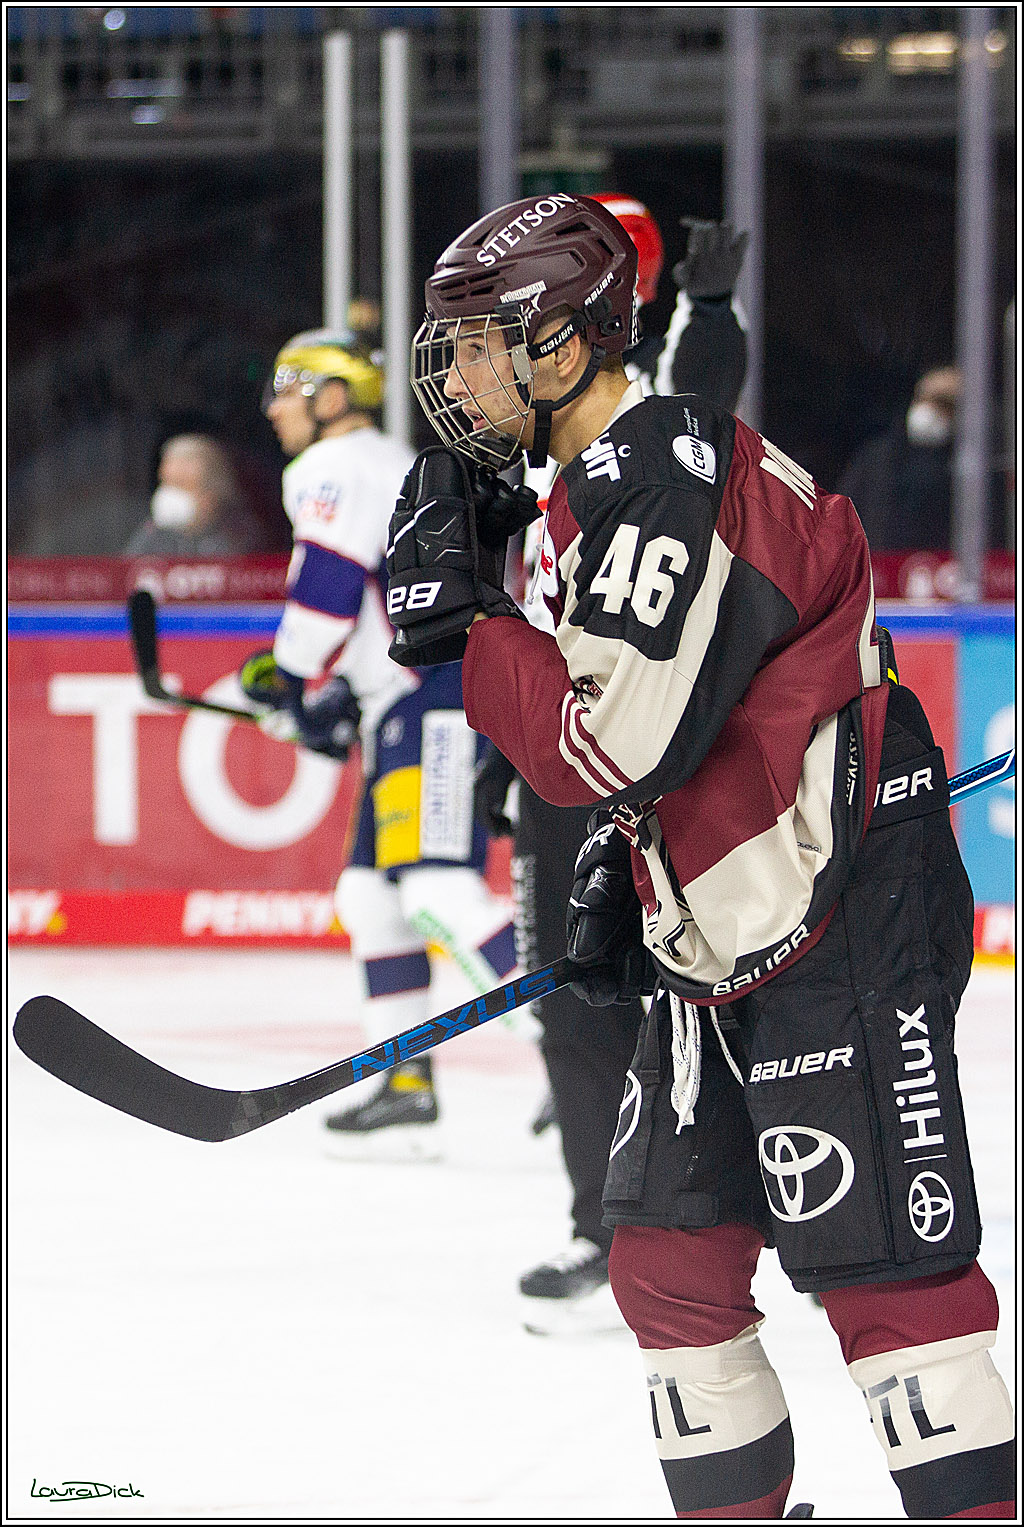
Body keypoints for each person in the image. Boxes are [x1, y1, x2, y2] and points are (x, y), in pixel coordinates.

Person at [384, 195, 1015, 1517]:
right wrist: (638, 861)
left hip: (836, 903)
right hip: (733, 910)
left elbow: (606, 743)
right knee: (669, 1263)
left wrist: (471, 629)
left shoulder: (655, 477)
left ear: (563, 345)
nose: (459, 376)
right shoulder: (598, 486)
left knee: (887, 1279)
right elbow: (672, 732)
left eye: (483, 343)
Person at [473, 197, 750, 1334]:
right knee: (574, 1007)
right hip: (563, 755)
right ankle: (609, 1230)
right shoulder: (528, 437)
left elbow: (698, 402)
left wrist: (712, 315)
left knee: (675, 999)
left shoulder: (639, 425)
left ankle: (692, 1230)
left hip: (634, 755)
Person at [241, 329, 518, 1157]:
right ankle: (405, 1081)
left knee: (436, 886)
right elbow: (376, 596)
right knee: (371, 895)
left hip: (430, 695)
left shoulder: (332, 465)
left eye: (290, 387)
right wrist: (337, 696)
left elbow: (327, 589)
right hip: (411, 697)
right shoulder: (384, 459)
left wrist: (292, 680)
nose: (274, 407)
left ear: (333, 396)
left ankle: (581, 1048)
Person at [837, 366, 963, 552]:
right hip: (883, 563)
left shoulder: (973, 466)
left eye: (943, 403)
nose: (929, 409)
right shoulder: (877, 459)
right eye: (923, 399)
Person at [125, 433, 265, 555]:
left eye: (184, 484)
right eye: (172, 486)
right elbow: (133, 567)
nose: (174, 500)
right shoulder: (154, 532)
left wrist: (202, 525)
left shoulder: (237, 527)